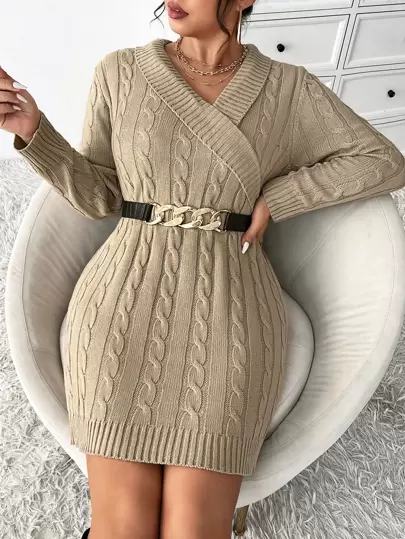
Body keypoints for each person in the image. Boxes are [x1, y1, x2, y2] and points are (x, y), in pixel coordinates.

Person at [2, 0, 405, 538]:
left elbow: (383, 161)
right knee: (123, 529)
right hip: (122, 306)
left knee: (194, 531)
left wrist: (280, 196)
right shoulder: (120, 72)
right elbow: (101, 197)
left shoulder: (288, 88)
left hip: (231, 315)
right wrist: (34, 131)